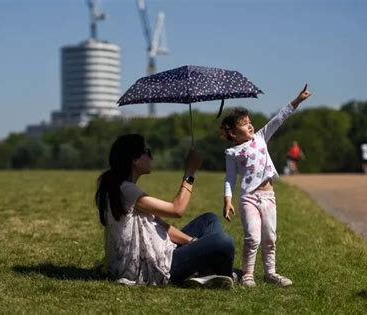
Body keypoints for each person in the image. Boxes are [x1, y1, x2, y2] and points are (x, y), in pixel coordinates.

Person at [95, 134, 236, 288]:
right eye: (147, 152)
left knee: (209, 219)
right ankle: (221, 273)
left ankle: (210, 273)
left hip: (161, 252)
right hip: (154, 266)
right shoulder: (126, 189)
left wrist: (193, 243)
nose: (151, 157)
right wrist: (190, 173)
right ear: (134, 159)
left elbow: (160, 225)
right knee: (224, 241)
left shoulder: (122, 188)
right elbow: (177, 210)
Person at [220, 84, 312, 287]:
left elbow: (279, 118)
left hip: (269, 197)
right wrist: (227, 200)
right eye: (244, 124)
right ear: (233, 133)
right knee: (253, 237)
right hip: (249, 198)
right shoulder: (232, 153)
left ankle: (271, 273)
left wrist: (296, 101)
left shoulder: (261, 137)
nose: (250, 125)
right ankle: (248, 275)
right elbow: (229, 179)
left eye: (249, 122)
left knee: (270, 237)